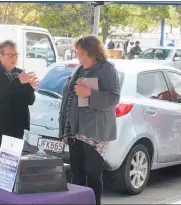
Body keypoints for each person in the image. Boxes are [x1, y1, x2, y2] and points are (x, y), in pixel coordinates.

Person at [58, 35, 120, 205]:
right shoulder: (79, 69)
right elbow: (67, 100)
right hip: (75, 130)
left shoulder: (107, 69)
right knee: (76, 175)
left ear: (93, 53)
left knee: (93, 175)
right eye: (77, 53)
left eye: (81, 53)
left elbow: (113, 98)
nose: (78, 56)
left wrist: (89, 95)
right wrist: (64, 128)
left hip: (95, 133)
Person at [0, 40, 38, 167]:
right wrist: (18, 82)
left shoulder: (20, 73)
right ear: (0, 56)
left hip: (15, 128)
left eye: (16, 54)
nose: (14, 58)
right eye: (10, 55)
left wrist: (31, 87)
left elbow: (29, 101)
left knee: (10, 168)